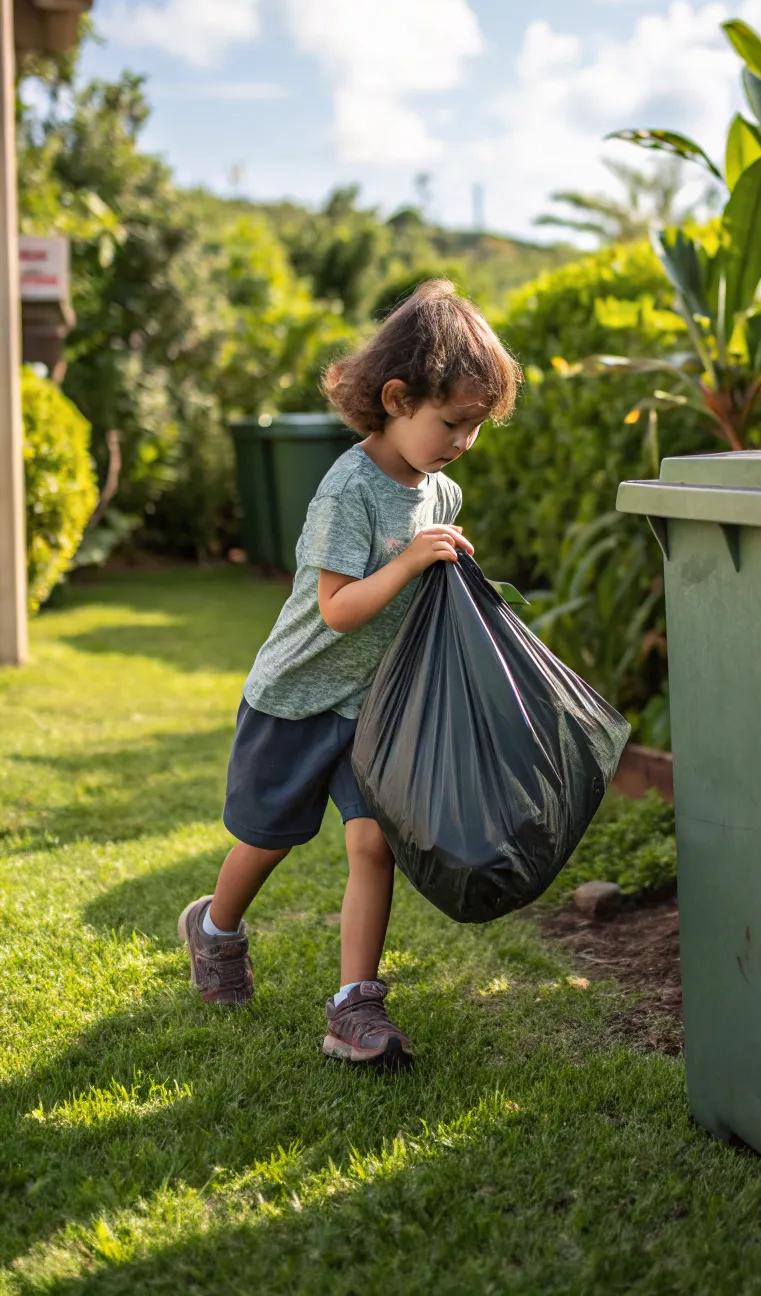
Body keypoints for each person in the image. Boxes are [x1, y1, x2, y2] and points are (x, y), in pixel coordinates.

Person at [178, 280, 521, 1068]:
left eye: (476, 427)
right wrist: (408, 561)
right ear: (397, 398)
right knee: (268, 839)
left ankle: (354, 1006)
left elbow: (418, 590)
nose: (463, 441)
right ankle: (216, 928)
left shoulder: (441, 489)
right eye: (453, 422)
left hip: (373, 710)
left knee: (373, 846)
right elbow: (336, 610)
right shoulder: (347, 489)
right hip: (297, 699)